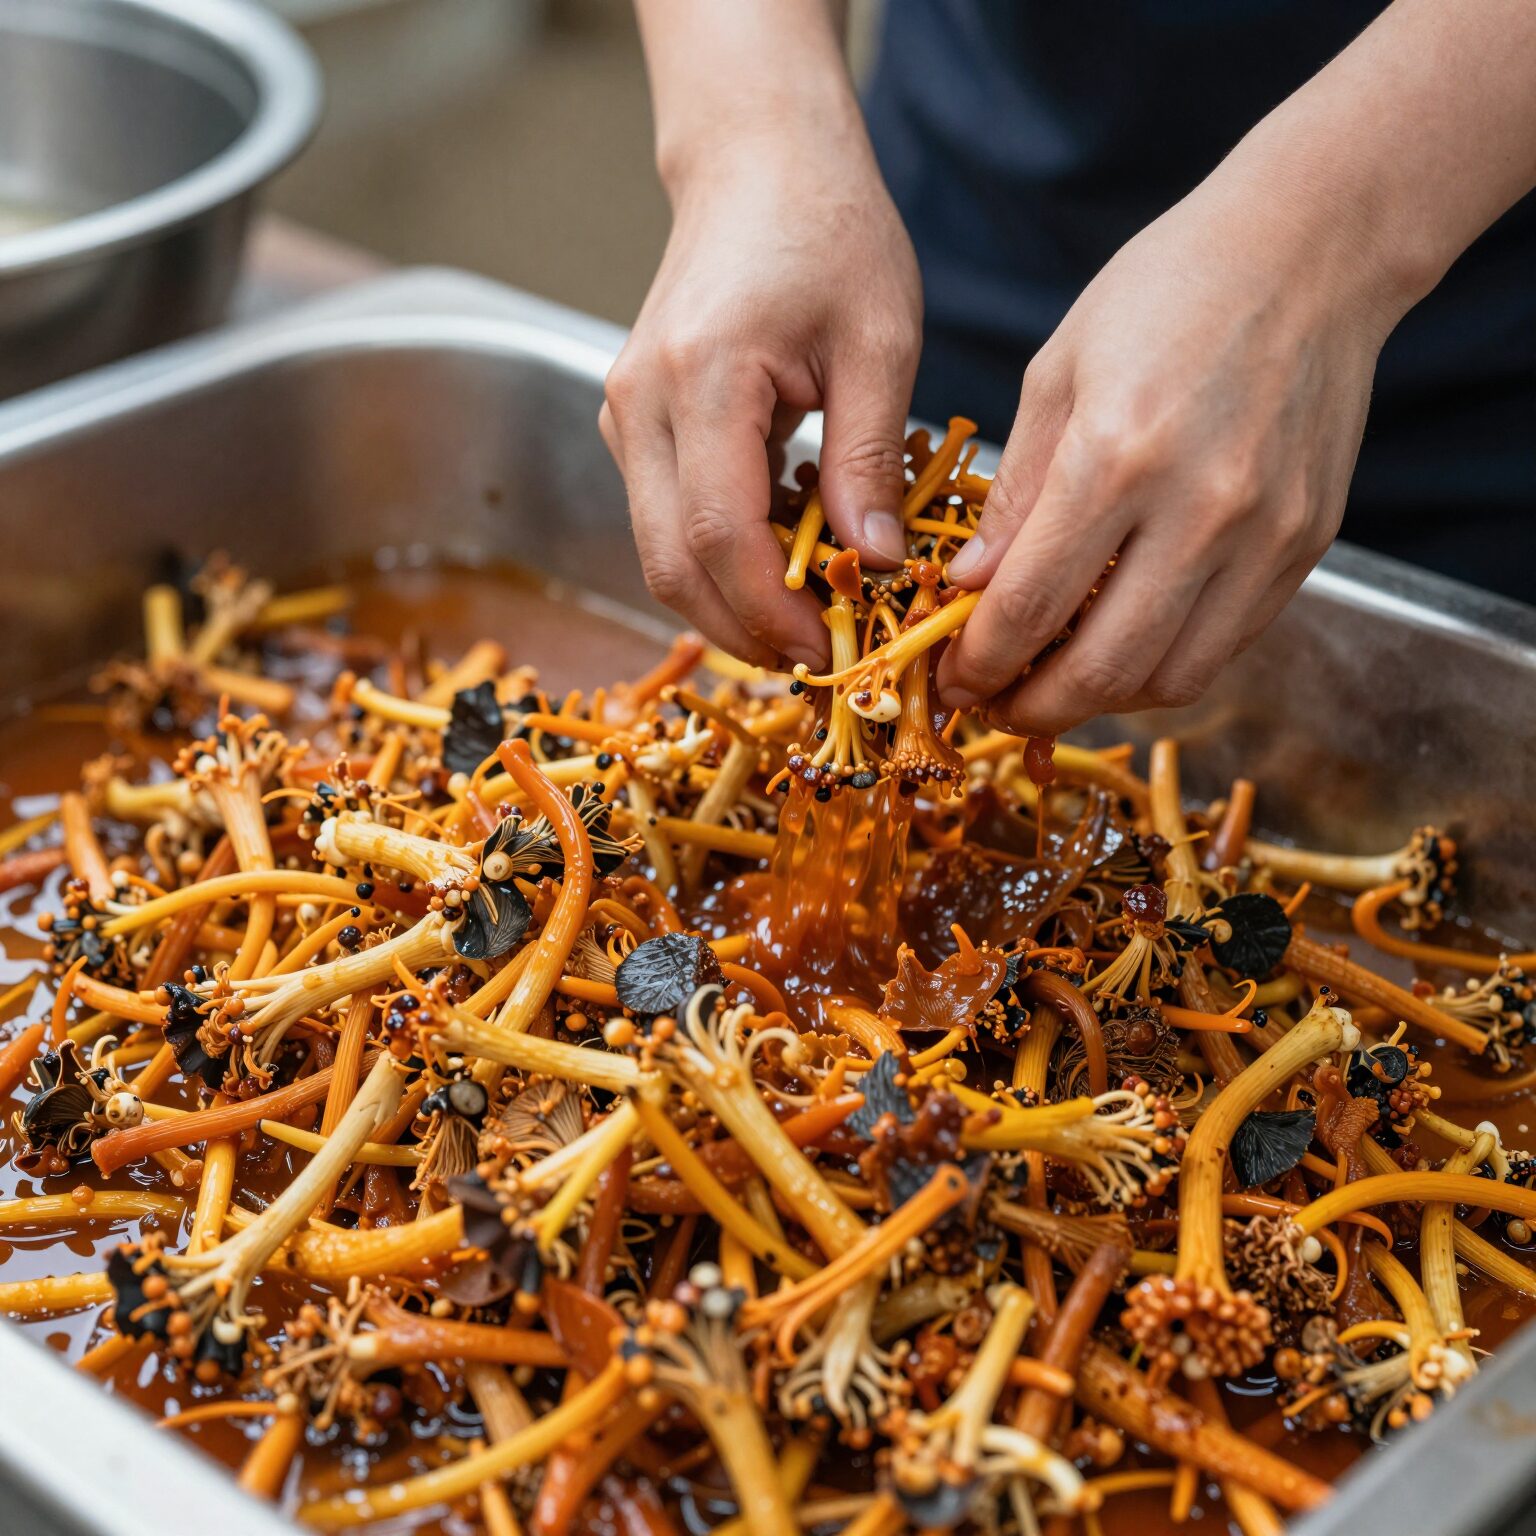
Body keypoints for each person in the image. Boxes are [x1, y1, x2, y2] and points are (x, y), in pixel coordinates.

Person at [599, 1, 1536, 738]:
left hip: (1478, 317)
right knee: (911, 569)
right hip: (962, 198)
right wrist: (750, 137)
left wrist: (1331, 246)